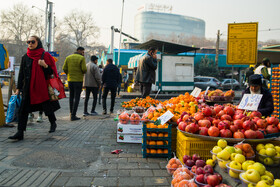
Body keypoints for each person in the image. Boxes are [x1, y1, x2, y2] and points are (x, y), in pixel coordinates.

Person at [8, 35, 60, 140]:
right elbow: (21, 73)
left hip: (42, 87)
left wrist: (45, 65)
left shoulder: (45, 55)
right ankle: (20, 132)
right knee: (23, 110)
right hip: (28, 88)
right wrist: (18, 88)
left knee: (47, 107)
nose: (30, 44)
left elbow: (52, 72)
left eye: (32, 42)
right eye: (28, 42)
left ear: (38, 43)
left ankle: (53, 122)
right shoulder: (25, 57)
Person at [62, 47, 87, 121]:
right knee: (77, 97)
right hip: (78, 80)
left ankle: (70, 113)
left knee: (71, 97)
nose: (83, 53)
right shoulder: (81, 58)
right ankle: (73, 115)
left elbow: (64, 68)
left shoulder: (68, 57)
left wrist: (69, 74)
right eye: (83, 52)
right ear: (79, 51)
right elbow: (84, 69)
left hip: (70, 80)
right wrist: (80, 73)